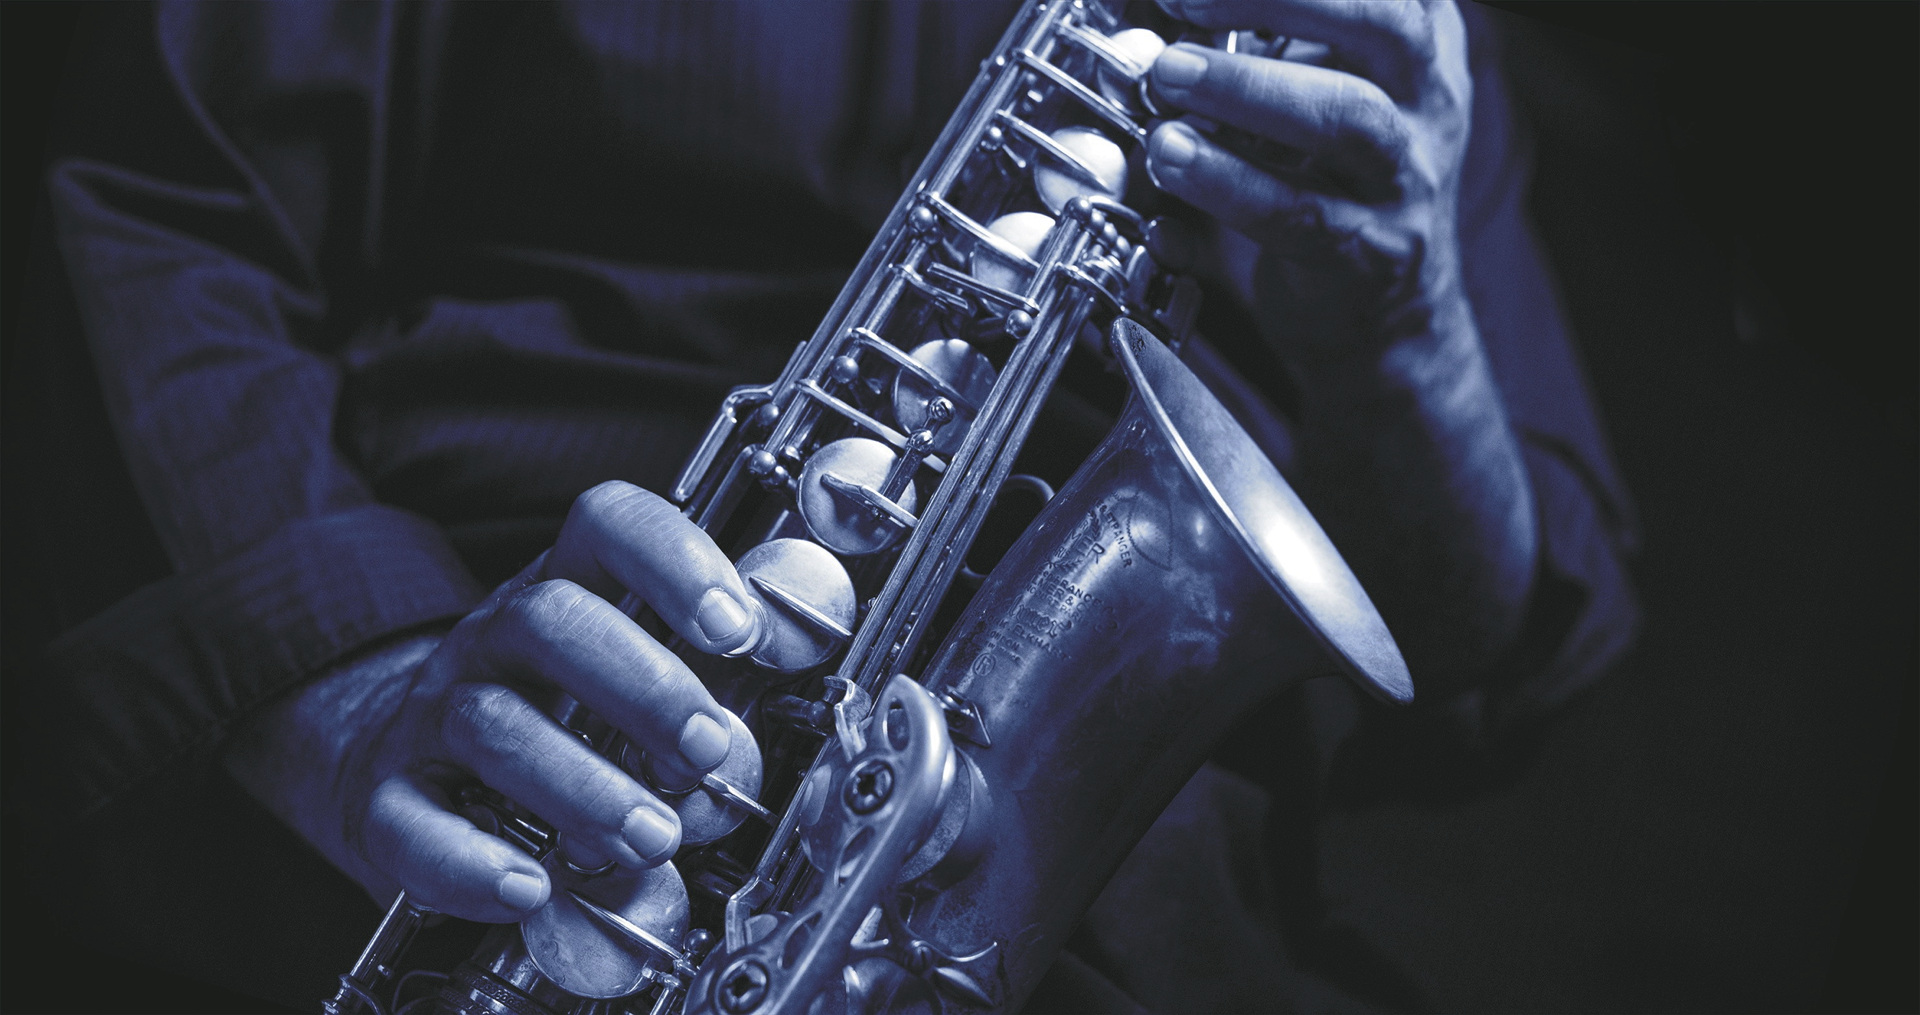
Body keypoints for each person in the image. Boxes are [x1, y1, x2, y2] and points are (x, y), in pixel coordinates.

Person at [18, 1, 1637, 1010]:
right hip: (526, 797)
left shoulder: (1391, 34)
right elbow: (160, 204)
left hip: (1138, 915)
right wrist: (346, 693)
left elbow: (1500, 650)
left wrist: (1406, 337)